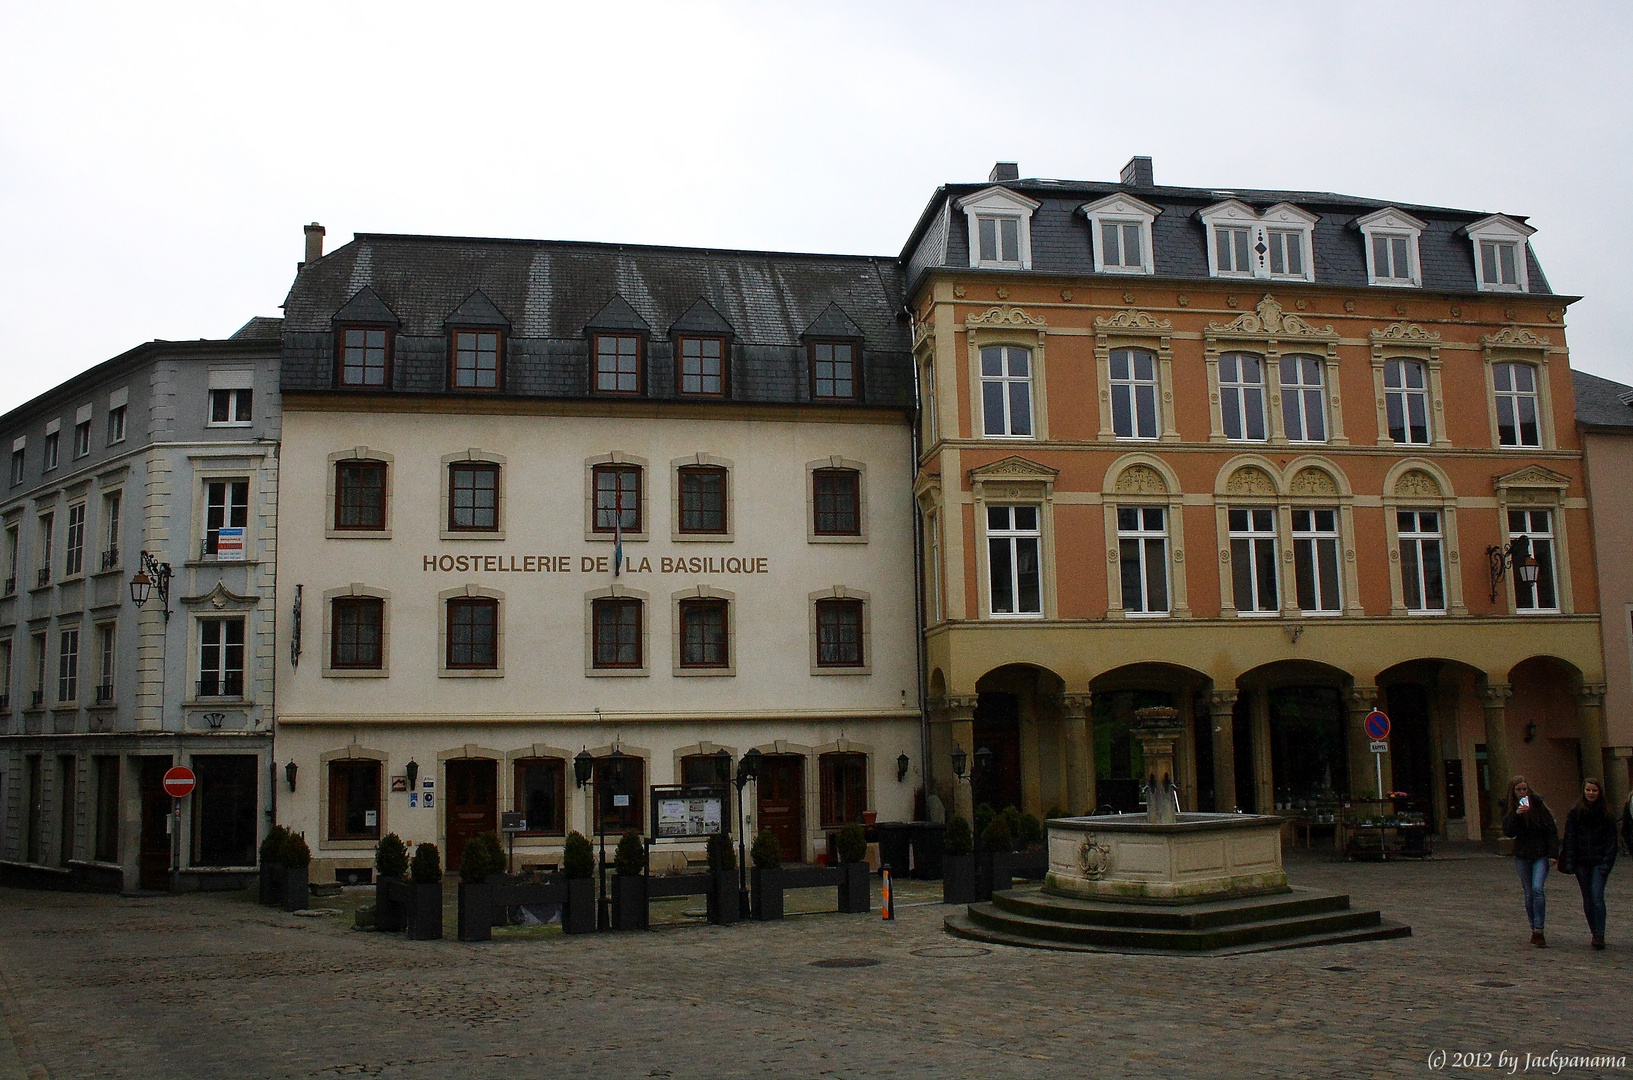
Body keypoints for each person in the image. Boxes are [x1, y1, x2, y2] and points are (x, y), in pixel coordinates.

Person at [1560, 778, 1618, 950]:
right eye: (1588, 790)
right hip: (1581, 862)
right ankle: (1594, 932)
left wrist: (1607, 862)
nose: (1591, 794)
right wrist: (1570, 861)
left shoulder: (1606, 813)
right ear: (1583, 792)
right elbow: (1569, 838)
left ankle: (1600, 932)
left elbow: (1612, 841)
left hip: (1600, 861)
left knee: (1597, 896)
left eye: (1594, 790)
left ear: (1599, 793)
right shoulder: (1575, 812)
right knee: (1587, 898)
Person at [1502, 776, 1558, 947]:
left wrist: (1553, 853)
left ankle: (1539, 929)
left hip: (1540, 853)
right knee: (1528, 893)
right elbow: (1509, 832)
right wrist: (1517, 815)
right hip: (1522, 855)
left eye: (1524, 789)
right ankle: (1533, 927)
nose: (1522, 793)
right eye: (1518, 790)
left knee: (1537, 889)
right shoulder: (1509, 809)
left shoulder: (1538, 805)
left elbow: (1551, 830)